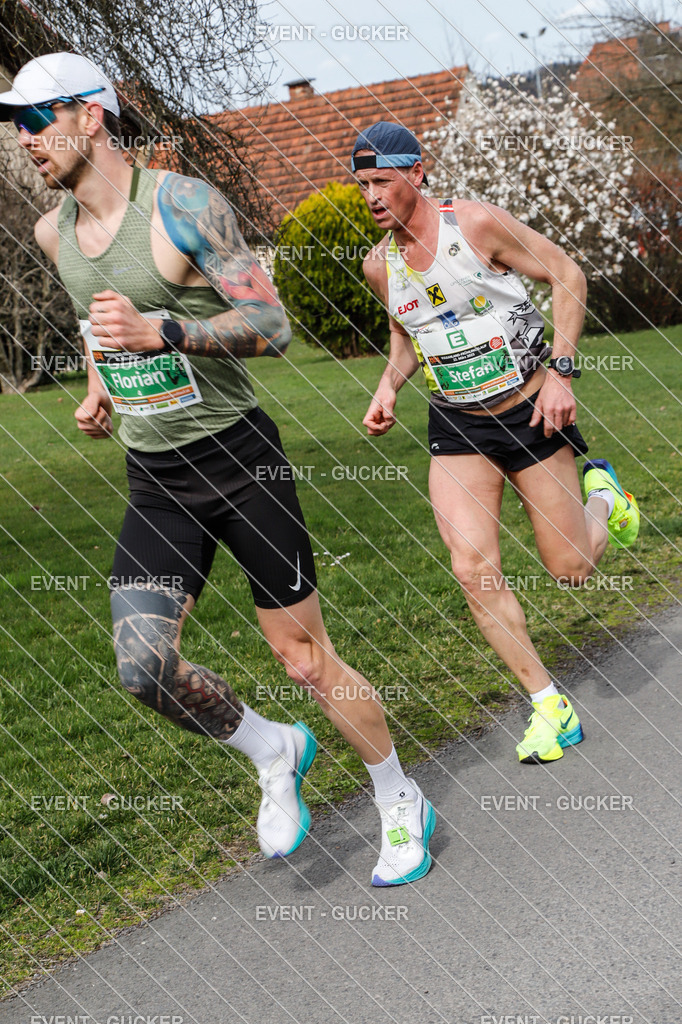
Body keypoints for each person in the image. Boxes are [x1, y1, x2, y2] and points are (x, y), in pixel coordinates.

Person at [0, 55, 436, 885]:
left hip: (240, 462)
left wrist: (162, 332)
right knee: (142, 667)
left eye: (35, 119)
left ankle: (398, 796)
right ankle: (273, 748)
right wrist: (100, 388)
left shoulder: (181, 204)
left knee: (305, 660)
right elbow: (104, 325)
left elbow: (273, 327)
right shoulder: (52, 232)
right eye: (15, 122)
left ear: (90, 117)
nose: (23, 138)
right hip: (156, 478)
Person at [354, 121, 640, 764]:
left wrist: (561, 373)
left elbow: (567, 275)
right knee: (471, 568)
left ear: (417, 174)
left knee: (570, 570)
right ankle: (550, 706)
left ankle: (604, 497)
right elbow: (408, 335)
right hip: (458, 424)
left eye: (381, 181)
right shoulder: (380, 264)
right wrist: (388, 388)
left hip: (532, 409)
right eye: (362, 184)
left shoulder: (474, 225)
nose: (370, 195)